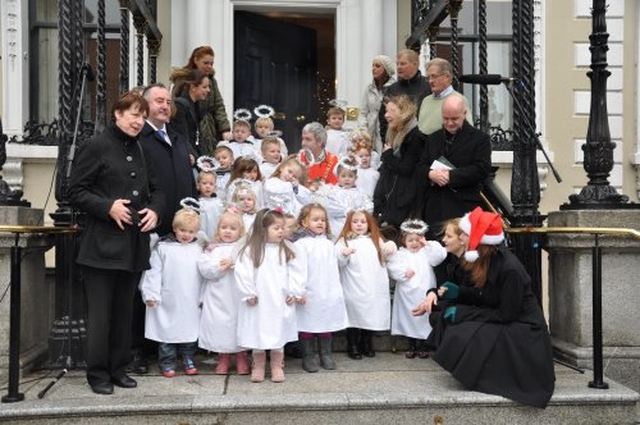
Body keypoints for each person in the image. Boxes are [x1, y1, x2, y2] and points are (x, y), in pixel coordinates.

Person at [68, 91, 164, 395]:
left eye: (143, 115)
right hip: (101, 247)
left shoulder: (142, 149)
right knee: (101, 316)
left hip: (133, 245)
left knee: (124, 313)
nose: (139, 121)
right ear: (117, 114)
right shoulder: (95, 146)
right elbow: (74, 191)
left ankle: (119, 369)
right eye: (134, 114)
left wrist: (156, 211)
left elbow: (156, 189)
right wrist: (107, 206)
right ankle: (97, 374)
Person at [412, 207, 555, 408]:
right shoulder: (489, 259)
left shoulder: (510, 269)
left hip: (523, 330)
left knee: (461, 332)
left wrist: (463, 312)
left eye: (464, 234)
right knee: (449, 322)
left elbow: (506, 314)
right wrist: (460, 294)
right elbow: (488, 296)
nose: (461, 239)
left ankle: (480, 375)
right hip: (507, 319)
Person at [131, 83, 196, 375]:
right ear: (144, 106)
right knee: (145, 291)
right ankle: (137, 350)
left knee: (177, 292)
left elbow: (188, 182)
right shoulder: (138, 138)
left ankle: (178, 347)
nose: (165, 105)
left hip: (179, 231)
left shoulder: (179, 139)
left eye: (168, 101)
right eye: (158, 100)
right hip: (149, 228)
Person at [234, 208, 306, 383]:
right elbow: (243, 271)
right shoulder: (252, 250)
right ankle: (258, 365)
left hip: (280, 299)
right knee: (257, 331)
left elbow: (298, 272)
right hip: (258, 300)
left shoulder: (288, 249)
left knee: (278, 330)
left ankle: (276, 365)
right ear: (263, 229)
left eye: (282, 228)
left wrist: (295, 291)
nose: (281, 231)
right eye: (276, 228)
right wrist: (248, 291)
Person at [415, 95, 492, 239]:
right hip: (435, 209)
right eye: (445, 118)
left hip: (462, 207)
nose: (449, 123)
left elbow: (482, 168)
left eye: (454, 119)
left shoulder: (480, 139)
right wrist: (430, 174)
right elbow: (420, 166)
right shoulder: (433, 139)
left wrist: (451, 176)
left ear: (464, 114)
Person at [139, 208, 203, 378]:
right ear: (175, 228)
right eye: (182, 230)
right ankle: (167, 361)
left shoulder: (198, 249)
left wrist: (204, 296)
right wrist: (151, 294)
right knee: (166, 332)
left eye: (190, 231)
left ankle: (188, 358)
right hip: (167, 298)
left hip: (191, 297)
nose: (186, 235)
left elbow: (204, 274)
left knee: (189, 331)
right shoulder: (163, 248)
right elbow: (154, 272)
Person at [294, 204, 348, 372]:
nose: (320, 223)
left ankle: (326, 353)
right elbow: (298, 269)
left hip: (328, 290)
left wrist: (344, 256)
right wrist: (299, 290)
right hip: (310, 291)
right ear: (304, 222)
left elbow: (338, 263)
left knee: (326, 322)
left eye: (323, 220)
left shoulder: (330, 244)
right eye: (315, 219)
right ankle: (308, 355)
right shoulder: (301, 244)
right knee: (308, 323)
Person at [336, 210, 396, 360]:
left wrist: (390, 247)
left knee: (370, 314)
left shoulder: (375, 239)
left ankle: (366, 342)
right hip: (354, 285)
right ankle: (352, 344)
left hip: (373, 285)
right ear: (349, 224)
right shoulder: (345, 240)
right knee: (355, 314)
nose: (359, 225)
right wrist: (344, 253)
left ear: (369, 224)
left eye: (363, 222)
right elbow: (337, 259)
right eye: (355, 222)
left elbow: (388, 253)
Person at [197, 211, 248, 375]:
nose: (227, 231)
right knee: (220, 325)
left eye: (232, 228)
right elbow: (205, 269)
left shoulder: (243, 250)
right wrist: (220, 267)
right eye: (223, 227)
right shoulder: (212, 249)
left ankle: (242, 357)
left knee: (239, 323)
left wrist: (235, 264)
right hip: (218, 295)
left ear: (240, 232)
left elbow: (251, 267)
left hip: (238, 294)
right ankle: (223, 357)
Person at [386, 219, 446, 358]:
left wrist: (428, 244)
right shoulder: (401, 254)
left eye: (417, 240)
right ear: (404, 241)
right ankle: (412, 345)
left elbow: (438, 257)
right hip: (407, 292)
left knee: (424, 316)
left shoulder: (426, 252)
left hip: (425, 291)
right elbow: (392, 267)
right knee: (409, 316)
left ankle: (423, 345)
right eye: (410, 240)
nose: (414, 243)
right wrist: (402, 273)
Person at [373, 95, 427, 229]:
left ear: (403, 112)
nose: (386, 115)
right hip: (392, 197)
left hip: (406, 200)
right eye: (386, 111)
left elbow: (406, 169)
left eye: (391, 111)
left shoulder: (415, 137)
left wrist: (387, 154)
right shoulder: (392, 134)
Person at [170, 45, 232, 154]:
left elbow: (218, 106)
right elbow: (175, 105)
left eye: (211, 63)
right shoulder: (183, 80)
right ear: (195, 60)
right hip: (190, 125)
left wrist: (224, 129)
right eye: (205, 63)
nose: (209, 66)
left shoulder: (212, 81)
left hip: (210, 128)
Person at [378, 49, 431, 143]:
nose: (398, 67)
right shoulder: (392, 89)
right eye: (397, 64)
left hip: (421, 142)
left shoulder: (428, 87)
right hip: (396, 143)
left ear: (415, 64)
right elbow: (383, 118)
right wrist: (387, 141)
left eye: (403, 64)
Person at [314, 157, 373, 240]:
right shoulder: (333, 192)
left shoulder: (360, 193)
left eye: (350, 176)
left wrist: (358, 213)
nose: (347, 179)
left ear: (356, 178)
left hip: (355, 226)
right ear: (337, 177)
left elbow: (369, 207)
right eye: (343, 176)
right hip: (337, 226)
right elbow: (329, 207)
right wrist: (345, 211)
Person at [417, 58, 472, 136]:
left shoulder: (459, 100)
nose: (430, 81)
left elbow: (467, 134)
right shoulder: (426, 100)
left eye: (434, 76)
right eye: (428, 77)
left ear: (447, 77)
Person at [171, 70, 211, 158]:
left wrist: (207, 161)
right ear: (193, 87)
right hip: (187, 158)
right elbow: (183, 139)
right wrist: (199, 163)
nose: (208, 90)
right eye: (204, 87)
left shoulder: (196, 106)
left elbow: (199, 138)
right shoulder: (180, 106)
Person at [361, 55, 396, 153]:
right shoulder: (369, 89)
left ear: (386, 69)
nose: (373, 69)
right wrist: (364, 131)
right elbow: (363, 112)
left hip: (388, 131)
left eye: (377, 66)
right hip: (370, 132)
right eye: (372, 66)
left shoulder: (395, 87)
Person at [197, 171, 225, 240]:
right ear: (198, 185)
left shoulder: (218, 202)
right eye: (204, 183)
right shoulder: (197, 202)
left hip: (214, 232)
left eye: (211, 184)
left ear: (215, 187)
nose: (208, 186)